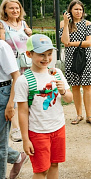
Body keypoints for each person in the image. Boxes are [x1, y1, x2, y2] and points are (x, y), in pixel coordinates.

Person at [14, 34, 73, 179]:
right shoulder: (23, 81)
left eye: (49, 54)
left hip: (58, 128)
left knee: (54, 164)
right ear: (29, 54)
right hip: (38, 132)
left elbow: (69, 98)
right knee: (41, 170)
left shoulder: (57, 74)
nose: (46, 59)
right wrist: (25, 139)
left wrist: (63, 91)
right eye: (41, 55)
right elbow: (22, 112)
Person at [60, 0, 91, 126]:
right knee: (75, 86)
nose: (78, 11)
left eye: (80, 9)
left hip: (85, 57)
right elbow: (64, 41)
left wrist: (71, 44)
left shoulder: (87, 24)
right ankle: (79, 114)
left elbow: (89, 42)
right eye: (76, 9)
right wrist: (66, 24)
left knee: (87, 86)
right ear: (70, 10)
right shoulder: (64, 24)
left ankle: (89, 115)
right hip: (71, 58)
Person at [0, 0, 32, 142]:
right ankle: (15, 128)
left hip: (25, 63)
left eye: (17, 8)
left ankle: (26, 125)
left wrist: (30, 34)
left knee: (25, 94)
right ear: (5, 10)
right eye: (11, 8)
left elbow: (28, 43)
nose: (15, 10)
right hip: (11, 64)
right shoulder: (2, 25)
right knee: (12, 95)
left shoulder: (23, 23)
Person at [0, 38, 29, 179]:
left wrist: (11, 104)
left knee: (1, 144)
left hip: (2, 93)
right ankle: (17, 156)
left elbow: (16, 76)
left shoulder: (2, 46)